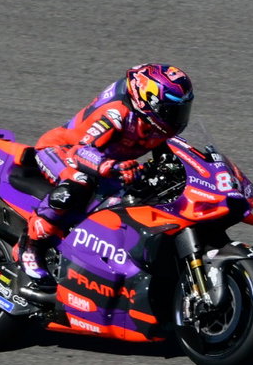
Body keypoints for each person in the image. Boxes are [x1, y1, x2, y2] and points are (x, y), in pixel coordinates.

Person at [11, 63, 193, 294]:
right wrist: (114, 166)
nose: (178, 117)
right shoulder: (117, 114)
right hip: (60, 150)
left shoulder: (157, 126)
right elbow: (79, 152)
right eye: (171, 110)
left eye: (182, 109)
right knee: (79, 182)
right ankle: (30, 247)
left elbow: (173, 159)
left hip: (101, 165)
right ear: (148, 100)